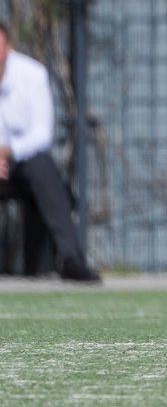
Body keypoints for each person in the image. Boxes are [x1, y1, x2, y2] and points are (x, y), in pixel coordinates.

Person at [0, 22, 101, 283]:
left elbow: (40, 136)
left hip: (20, 165)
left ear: (8, 46)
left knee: (43, 167)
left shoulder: (33, 75)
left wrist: (7, 152)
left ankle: (69, 258)